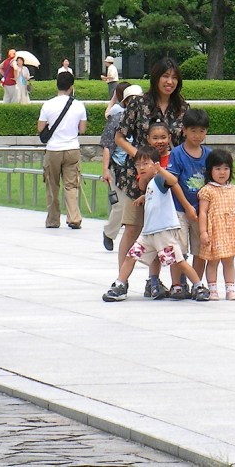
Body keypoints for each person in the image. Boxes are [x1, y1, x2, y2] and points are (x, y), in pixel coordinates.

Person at [114, 57, 188, 299]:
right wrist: (143, 160)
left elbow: (184, 144)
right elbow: (119, 137)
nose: (169, 82)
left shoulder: (182, 108)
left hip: (167, 178)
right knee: (134, 227)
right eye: (165, 77)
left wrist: (161, 169)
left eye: (174, 78)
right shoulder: (139, 104)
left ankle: (154, 281)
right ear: (155, 78)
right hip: (137, 177)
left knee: (164, 227)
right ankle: (121, 279)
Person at [102, 146, 210, 302]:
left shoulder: (159, 179)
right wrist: (144, 198)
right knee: (130, 256)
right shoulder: (151, 184)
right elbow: (156, 197)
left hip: (163, 233)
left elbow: (173, 181)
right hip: (148, 234)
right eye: (138, 164)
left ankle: (199, 285)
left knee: (179, 262)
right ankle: (119, 284)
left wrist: (161, 170)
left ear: (156, 164)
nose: (141, 167)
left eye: (145, 163)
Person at [167, 108, 212, 297]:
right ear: (184, 130)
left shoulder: (209, 155)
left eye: (202, 131)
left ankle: (196, 283)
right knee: (179, 250)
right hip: (179, 209)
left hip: (202, 211)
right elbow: (173, 181)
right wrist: (186, 206)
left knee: (201, 249)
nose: (197, 135)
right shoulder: (177, 154)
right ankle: (177, 284)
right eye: (193, 130)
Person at [37, 71, 87, 230]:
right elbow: (83, 129)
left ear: (57, 85)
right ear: (71, 87)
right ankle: (74, 218)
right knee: (71, 185)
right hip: (72, 148)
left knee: (52, 185)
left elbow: (40, 128)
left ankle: (53, 220)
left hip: (53, 149)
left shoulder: (48, 104)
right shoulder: (79, 105)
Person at [197, 149, 235, 301]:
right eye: (217, 168)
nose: (222, 172)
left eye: (226, 168)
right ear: (210, 170)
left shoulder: (234, 190)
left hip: (230, 230)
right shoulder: (207, 191)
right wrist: (203, 232)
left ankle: (230, 289)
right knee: (213, 261)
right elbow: (203, 212)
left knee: (229, 261)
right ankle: (212, 289)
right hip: (214, 230)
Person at [100, 81, 134, 255]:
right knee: (119, 206)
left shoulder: (145, 120)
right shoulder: (117, 118)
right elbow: (108, 145)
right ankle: (109, 233)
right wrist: (105, 170)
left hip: (137, 169)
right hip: (118, 167)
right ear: (126, 101)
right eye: (131, 99)